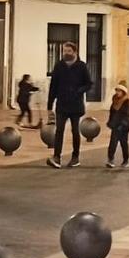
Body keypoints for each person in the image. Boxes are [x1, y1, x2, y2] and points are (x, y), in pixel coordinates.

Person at [46, 41, 92, 169]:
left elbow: (89, 83)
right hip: (62, 104)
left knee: (75, 131)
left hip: (76, 105)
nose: (66, 53)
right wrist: (49, 106)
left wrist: (79, 91)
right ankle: (56, 157)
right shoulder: (59, 66)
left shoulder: (81, 66)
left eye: (69, 51)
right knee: (59, 130)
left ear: (75, 52)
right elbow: (53, 86)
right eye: (64, 51)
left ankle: (75, 157)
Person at [105, 84, 129, 168]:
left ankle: (125, 160)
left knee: (124, 143)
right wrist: (110, 122)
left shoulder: (127, 101)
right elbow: (112, 112)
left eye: (119, 91)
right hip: (115, 125)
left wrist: (122, 124)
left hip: (124, 126)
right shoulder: (114, 100)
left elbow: (127, 114)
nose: (117, 92)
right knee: (113, 143)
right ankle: (110, 159)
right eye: (116, 90)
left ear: (123, 92)